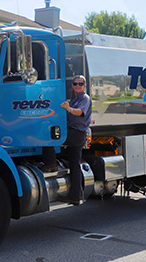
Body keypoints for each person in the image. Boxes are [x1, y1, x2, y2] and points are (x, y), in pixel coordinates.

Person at [59, 75, 92, 205]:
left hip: (77, 133)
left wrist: (69, 109)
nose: (77, 86)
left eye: (80, 83)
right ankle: (75, 196)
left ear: (85, 85)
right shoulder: (73, 100)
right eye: (75, 83)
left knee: (49, 138)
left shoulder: (85, 99)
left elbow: (79, 112)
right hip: (73, 133)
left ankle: (50, 163)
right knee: (74, 165)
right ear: (72, 85)